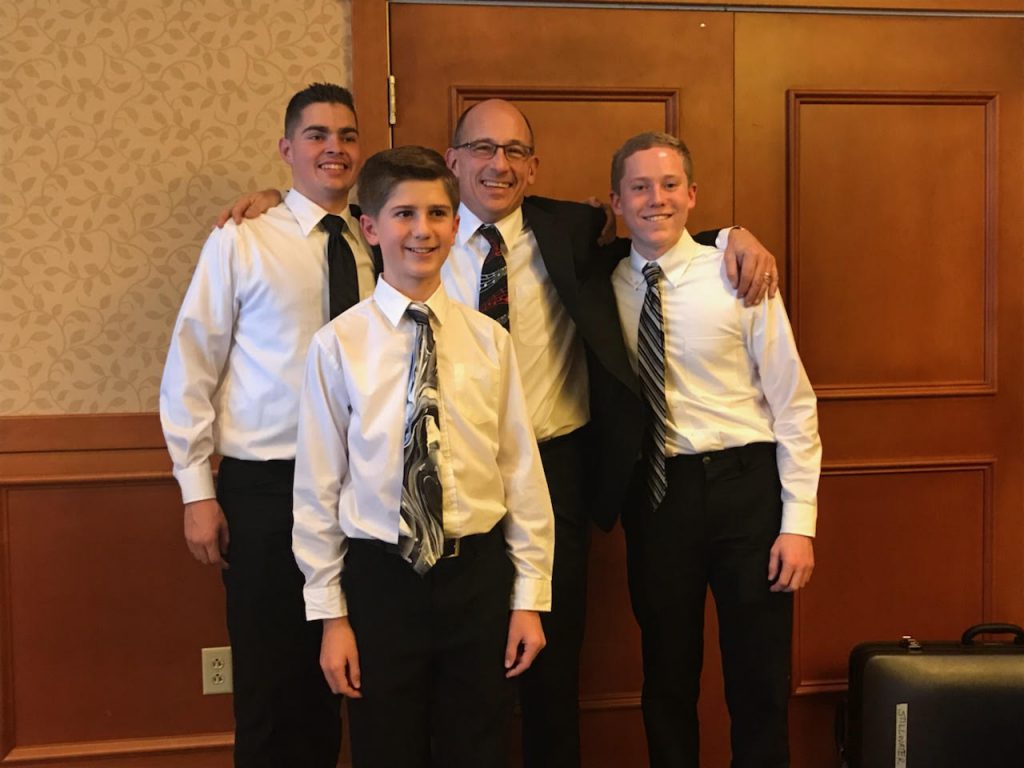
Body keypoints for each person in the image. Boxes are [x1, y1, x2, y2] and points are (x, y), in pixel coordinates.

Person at [218, 99, 779, 768]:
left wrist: (729, 235)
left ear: (531, 169)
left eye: (514, 151)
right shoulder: (366, 300)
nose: (498, 163)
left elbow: (656, 224)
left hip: (544, 483)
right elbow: (320, 481)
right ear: (450, 165)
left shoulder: (564, 236)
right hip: (388, 547)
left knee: (540, 675)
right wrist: (271, 202)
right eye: (482, 149)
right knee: (393, 724)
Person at [291, 144, 554, 767]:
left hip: (478, 577)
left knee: (480, 745)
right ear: (371, 228)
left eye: (437, 214)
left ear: (456, 225)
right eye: (404, 214)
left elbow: (521, 472)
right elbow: (318, 489)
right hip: (382, 581)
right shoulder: (338, 347)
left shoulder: (489, 340)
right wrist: (331, 616)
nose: (422, 230)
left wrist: (530, 600)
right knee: (386, 746)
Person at [586, 131, 821, 768]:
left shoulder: (739, 275)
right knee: (666, 676)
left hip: (747, 493)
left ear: (693, 195)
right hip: (657, 498)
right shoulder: (600, 284)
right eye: (639, 187)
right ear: (616, 201)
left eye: (669, 185)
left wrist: (798, 524)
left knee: (758, 677)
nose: (655, 199)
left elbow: (794, 403)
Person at [159, 82, 375, 768]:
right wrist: (197, 491)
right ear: (287, 150)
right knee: (271, 684)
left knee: (358, 674)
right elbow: (192, 362)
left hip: (367, 487)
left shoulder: (386, 236)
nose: (332, 148)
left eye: (345, 135)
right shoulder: (243, 240)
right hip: (267, 490)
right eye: (316, 135)